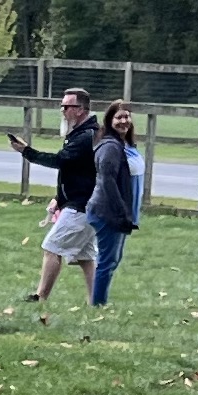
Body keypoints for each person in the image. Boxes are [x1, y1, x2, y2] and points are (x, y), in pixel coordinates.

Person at [9, 88, 99, 316]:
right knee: (86, 257)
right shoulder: (80, 134)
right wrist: (59, 199)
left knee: (51, 247)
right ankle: (97, 302)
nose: (63, 110)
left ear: (80, 110)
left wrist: (27, 151)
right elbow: (76, 173)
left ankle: (40, 297)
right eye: (62, 106)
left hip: (83, 206)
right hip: (83, 203)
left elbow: (61, 161)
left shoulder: (86, 137)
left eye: (67, 106)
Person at [86, 100, 140, 310]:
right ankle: (98, 305)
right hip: (107, 212)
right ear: (109, 121)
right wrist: (121, 212)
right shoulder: (110, 146)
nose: (124, 121)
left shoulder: (123, 144)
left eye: (127, 116)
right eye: (119, 117)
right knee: (107, 262)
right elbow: (107, 182)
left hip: (117, 211)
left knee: (111, 260)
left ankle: (99, 302)